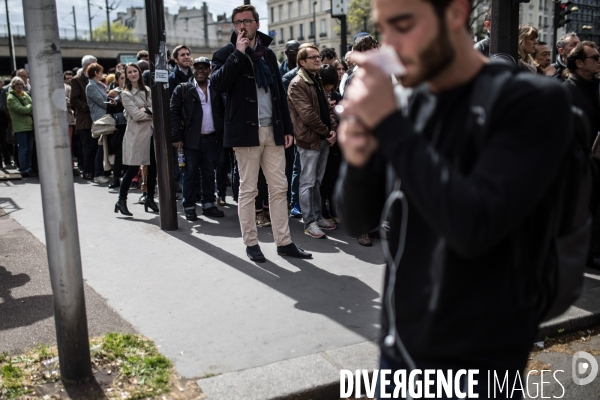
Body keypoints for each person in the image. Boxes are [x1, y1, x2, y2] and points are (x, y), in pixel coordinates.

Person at [336, 0, 572, 395]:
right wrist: (358, 159)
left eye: (405, 25)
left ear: (455, 13)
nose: (390, 46)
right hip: (397, 351)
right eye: (384, 29)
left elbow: (474, 226)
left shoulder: (531, 100)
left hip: (477, 362)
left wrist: (390, 125)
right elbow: (356, 220)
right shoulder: (410, 103)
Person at [211, 4, 312, 262]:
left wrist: (287, 128)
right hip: (245, 133)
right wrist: (238, 54)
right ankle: (251, 242)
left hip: (272, 129)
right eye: (237, 23)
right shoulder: (225, 54)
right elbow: (218, 84)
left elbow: (278, 92)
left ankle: (284, 241)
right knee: (248, 190)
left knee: (278, 188)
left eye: (246, 21)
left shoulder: (267, 54)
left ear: (256, 24)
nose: (242, 26)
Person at [288, 44, 337, 238]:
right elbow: (307, 115)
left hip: (323, 138)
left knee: (317, 181)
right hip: (309, 140)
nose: (318, 59)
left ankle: (317, 216)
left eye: (318, 56)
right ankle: (309, 222)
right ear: (302, 62)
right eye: (313, 57)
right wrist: (327, 132)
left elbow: (328, 108)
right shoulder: (297, 83)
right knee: (307, 182)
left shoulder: (316, 79)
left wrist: (333, 130)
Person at [170, 57, 226, 221]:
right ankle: (189, 207)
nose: (200, 71)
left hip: (212, 138)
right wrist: (176, 137)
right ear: (193, 69)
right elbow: (173, 113)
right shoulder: (183, 89)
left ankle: (208, 204)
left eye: (204, 68)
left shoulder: (215, 87)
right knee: (189, 174)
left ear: (210, 70)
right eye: (197, 68)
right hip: (189, 140)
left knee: (209, 174)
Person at [114, 63, 158, 216]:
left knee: (153, 168)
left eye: (135, 71)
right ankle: (121, 200)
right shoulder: (126, 94)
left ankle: (150, 198)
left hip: (152, 134)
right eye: (130, 72)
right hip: (136, 135)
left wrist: (146, 109)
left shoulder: (148, 90)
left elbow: (156, 109)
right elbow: (136, 116)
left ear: (139, 73)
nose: (133, 74)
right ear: (126, 75)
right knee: (132, 169)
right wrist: (150, 112)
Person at [318, 64, 342, 225]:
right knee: (321, 179)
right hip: (320, 139)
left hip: (336, 142)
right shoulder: (316, 95)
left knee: (334, 177)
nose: (328, 88)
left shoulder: (338, 96)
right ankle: (322, 210)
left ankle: (334, 208)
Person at [70, 55, 98, 180]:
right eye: (94, 64)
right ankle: (87, 171)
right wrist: (88, 107)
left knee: (97, 145)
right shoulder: (77, 79)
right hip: (85, 119)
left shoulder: (96, 79)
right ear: (88, 66)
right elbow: (74, 99)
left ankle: (96, 171)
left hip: (96, 117)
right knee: (88, 145)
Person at [85, 62, 110, 184]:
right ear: (95, 73)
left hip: (105, 118)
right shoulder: (91, 86)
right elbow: (102, 101)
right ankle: (98, 174)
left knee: (104, 147)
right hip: (100, 120)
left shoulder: (99, 85)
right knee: (100, 147)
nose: (102, 74)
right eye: (100, 72)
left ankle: (103, 172)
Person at [7, 77, 35, 177]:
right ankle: (24, 169)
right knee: (23, 149)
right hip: (20, 127)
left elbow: (29, 107)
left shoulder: (26, 94)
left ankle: (29, 167)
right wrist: (31, 107)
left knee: (30, 149)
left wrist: (29, 108)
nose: (19, 86)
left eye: (21, 84)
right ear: (13, 85)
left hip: (30, 125)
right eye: (17, 84)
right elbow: (22, 110)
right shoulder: (11, 97)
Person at [107, 70, 127, 189]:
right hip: (119, 126)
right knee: (119, 153)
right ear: (117, 80)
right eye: (122, 78)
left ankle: (129, 177)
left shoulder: (133, 91)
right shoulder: (114, 93)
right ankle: (116, 178)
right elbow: (108, 111)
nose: (124, 80)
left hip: (132, 124)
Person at [64, 70, 78, 175]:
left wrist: (66, 101)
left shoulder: (68, 88)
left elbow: (72, 101)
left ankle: (70, 166)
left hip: (68, 120)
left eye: (70, 78)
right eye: (67, 78)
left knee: (69, 145)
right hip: (56, 122)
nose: (69, 80)